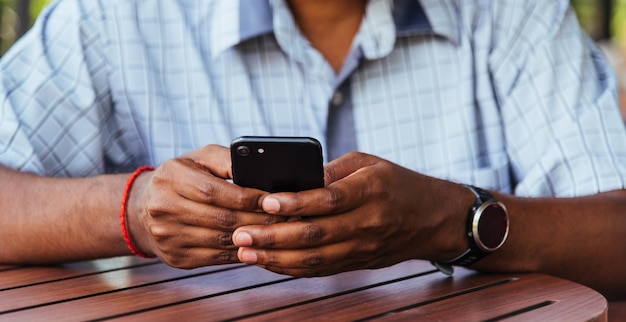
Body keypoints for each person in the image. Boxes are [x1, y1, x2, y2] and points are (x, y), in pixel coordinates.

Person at [1, 0, 625, 301]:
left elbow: (616, 235)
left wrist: (449, 219)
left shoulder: (512, 14)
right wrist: (137, 209)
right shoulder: (119, 16)